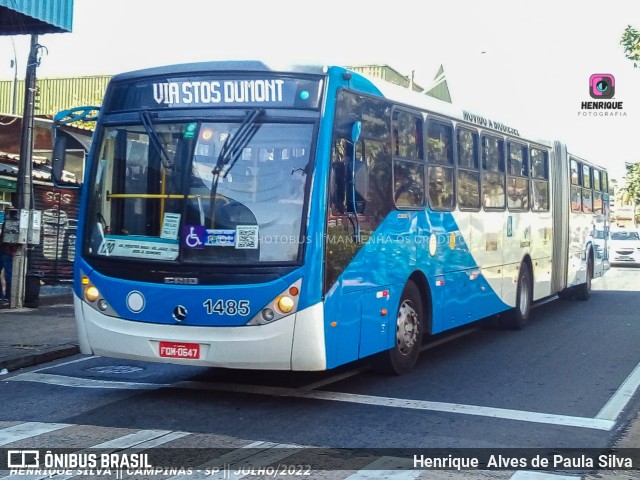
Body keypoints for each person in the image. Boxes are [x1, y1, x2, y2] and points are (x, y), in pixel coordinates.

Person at [0, 224, 17, 305]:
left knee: (8, 275)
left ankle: (5, 296)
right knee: (8, 275)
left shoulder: (9, 223)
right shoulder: (9, 223)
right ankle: (6, 297)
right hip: (6, 252)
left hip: (6, 251)